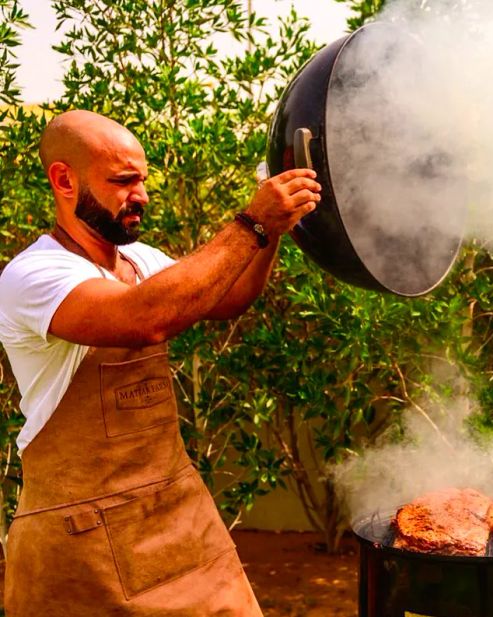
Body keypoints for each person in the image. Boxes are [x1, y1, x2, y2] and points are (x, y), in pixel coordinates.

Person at [0, 109, 322, 616]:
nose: (142, 196)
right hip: (81, 542)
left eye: (142, 181)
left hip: (177, 518)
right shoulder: (33, 274)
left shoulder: (142, 261)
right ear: (64, 179)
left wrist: (272, 230)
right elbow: (144, 317)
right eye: (123, 180)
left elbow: (229, 295)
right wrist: (252, 221)